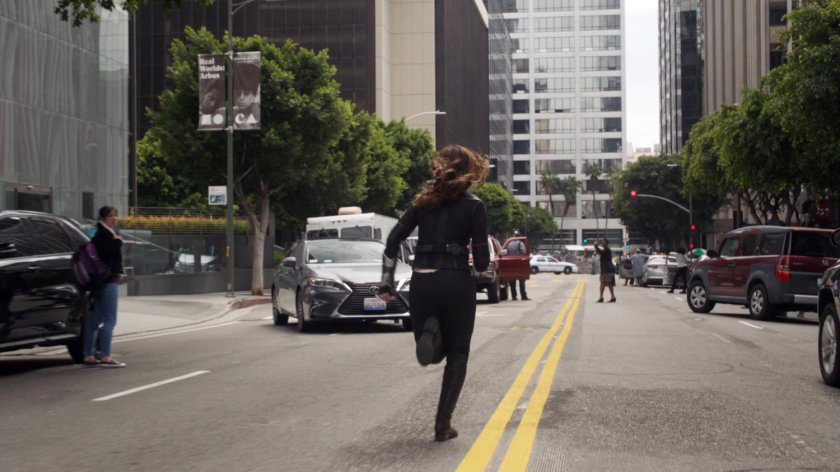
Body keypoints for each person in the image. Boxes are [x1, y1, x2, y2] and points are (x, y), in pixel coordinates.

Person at [376, 144, 490, 442]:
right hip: (455, 282)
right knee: (458, 355)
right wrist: (481, 260)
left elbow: (392, 240)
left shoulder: (421, 203)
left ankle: (430, 332)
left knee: (432, 353)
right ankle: (442, 425)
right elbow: (480, 263)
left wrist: (386, 279)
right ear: (469, 170)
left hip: (422, 281)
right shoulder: (475, 206)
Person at [82, 206, 127, 368]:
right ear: (103, 218)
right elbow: (107, 255)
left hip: (98, 282)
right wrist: (117, 243)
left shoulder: (99, 234)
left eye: (115, 216)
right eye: (110, 216)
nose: (114, 219)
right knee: (110, 319)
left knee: (95, 319)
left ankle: (88, 354)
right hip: (108, 281)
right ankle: (106, 356)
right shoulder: (105, 235)